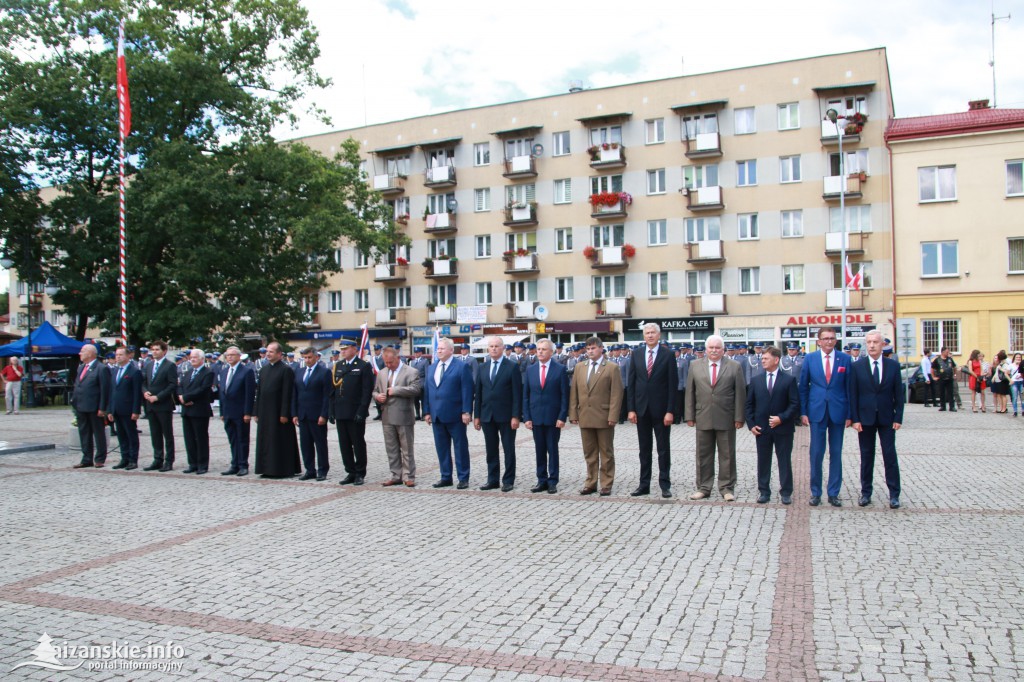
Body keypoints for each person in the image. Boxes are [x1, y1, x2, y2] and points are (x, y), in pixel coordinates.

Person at [685, 334, 746, 501]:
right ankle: (703, 487)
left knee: (727, 454)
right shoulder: (695, 365)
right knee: (703, 454)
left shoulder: (734, 366)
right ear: (706, 349)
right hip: (703, 415)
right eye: (711, 347)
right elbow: (690, 391)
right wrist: (689, 415)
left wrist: (739, 417)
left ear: (723, 349)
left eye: (717, 348)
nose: (714, 350)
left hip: (726, 416)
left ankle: (726, 487)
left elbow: (740, 393)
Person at [849, 330, 905, 509]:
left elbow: (899, 394)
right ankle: (866, 493)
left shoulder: (893, 366)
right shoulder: (857, 367)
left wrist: (898, 417)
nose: (871, 345)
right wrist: (855, 419)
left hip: (887, 418)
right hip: (865, 419)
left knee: (890, 456)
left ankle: (894, 494)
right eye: (869, 342)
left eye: (875, 342)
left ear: (882, 344)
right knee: (866, 456)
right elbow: (853, 394)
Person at [798, 327, 852, 507]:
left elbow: (849, 388)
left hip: (838, 411)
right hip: (817, 411)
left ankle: (833, 493)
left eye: (832, 338)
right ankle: (815, 492)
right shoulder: (810, 358)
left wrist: (850, 414)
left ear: (836, 341)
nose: (829, 341)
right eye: (825, 338)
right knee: (816, 453)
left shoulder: (845, 359)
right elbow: (803, 387)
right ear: (818, 341)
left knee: (836, 453)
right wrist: (803, 412)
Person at [627, 323, 678, 498]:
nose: (650, 336)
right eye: (647, 333)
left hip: (662, 410)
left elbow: (673, 385)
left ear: (658, 335)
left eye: (652, 333)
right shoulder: (637, 354)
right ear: (644, 336)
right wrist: (631, 409)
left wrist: (670, 410)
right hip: (641, 410)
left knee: (663, 449)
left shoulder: (668, 355)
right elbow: (631, 383)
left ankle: (665, 484)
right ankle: (644, 484)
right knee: (644, 449)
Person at [744, 345, 800, 505]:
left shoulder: (788, 380)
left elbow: (794, 404)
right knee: (763, 460)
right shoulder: (756, 380)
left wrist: (781, 418)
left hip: (783, 428)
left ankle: (786, 492)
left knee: (784, 460)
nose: (762, 360)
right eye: (762, 358)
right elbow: (749, 405)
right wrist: (751, 424)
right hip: (762, 429)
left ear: (776, 360)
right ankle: (764, 491)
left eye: (766, 358)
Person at [569, 337, 622, 496]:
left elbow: (617, 394)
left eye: (593, 348)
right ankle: (590, 482)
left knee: (606, 452)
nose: (590, 351)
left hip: (604, 416)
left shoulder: (611, 367)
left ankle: (606, 483)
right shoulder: (580, 367)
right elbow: (574, 392)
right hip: (585, 415)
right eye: (588, 348)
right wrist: (573, 413)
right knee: (589, 452)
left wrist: (613, 415)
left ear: (601, 349)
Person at [422, 337, 475, 488]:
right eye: (438, 348)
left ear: (451, 350)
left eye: (442, 348)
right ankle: (446, 476)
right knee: (442, 448)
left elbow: (467, 390)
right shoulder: (432, 367)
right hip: (437, 414)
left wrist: (466, 411)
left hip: (455, 414)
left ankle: (463, 477)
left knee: (460, 447)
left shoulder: (461, 366)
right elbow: (427, 390)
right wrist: (426, 411)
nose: (439, 351)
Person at [474, 335, 523, 492]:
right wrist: (477, 416)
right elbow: (478, 393)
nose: (494, 348)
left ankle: (508, 480)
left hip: (507, 415)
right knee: (491, 449)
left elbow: (517, 393)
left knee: (508, 448)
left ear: (503, 348)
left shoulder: (512, 366)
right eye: (491, 346)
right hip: (487, 415)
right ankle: (492, 479)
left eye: (497, 346)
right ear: (488, 349)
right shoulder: (482, 367)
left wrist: (516, 415)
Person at [523, 338, 569, 494]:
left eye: (543, 349)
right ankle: (541, 480)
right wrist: (527, 417)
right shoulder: (531, 369)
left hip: (553, 417)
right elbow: (526, 396)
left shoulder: (560, 369)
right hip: (535, 416)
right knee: (539, 449)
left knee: (552, 449)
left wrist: (562, 416)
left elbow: (564, 395)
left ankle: (552, 480)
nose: (540, 352)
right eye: (538, 349)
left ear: (551, 351)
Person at [329, 339, 374, 485]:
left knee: (358, 443)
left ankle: (360, 472)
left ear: (354, 349)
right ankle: (350, 471)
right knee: (344, 444)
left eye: (346, 349)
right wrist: (331, 410)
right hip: (341, 411)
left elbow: (366, 391)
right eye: (341, 349)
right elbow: (333, 391)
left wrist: (362, 410)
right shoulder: (338, 366)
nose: (342, 351)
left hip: (355, 412)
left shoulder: (363, 366)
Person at [374, 346, 421, 486]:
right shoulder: (382, 373)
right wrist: (377, 396)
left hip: (403, 414)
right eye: (386, 363)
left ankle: (408, 476)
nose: (388, 365)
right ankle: (395, 474)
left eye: (391, 362)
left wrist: (397, 390)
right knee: (391, 448)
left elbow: (416, 389)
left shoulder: (411, 372)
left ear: (397, 358)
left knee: (407, 448)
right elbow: (375, 390)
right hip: (387, 415)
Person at [253, 342, 300, 478]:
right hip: (264, 411)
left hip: (278, 412)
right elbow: (259, 392)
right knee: (265, 440)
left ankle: (282, 469)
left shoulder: (286, 370)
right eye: (267, 351)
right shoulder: (263, 370)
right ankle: (266, 468)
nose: (268, 354)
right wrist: (256, 411)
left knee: (279, 441)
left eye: (271, 352)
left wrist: (285, 413)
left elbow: (288, 394)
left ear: (279, 354)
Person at [291, 346, 332, 481]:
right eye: (305, 358)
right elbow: (295, 393)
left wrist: (324, 414)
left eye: (309, 357)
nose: (307, 360)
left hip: (317, 414)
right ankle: (310, 470)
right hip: (303, 414)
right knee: (305, 444)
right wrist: (295, 413)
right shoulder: (299, 371)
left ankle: (322, 470)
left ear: (316, 357)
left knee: (320, 444)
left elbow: (327, 395)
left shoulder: (324, 372)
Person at [70, 344, 112, 468]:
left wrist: (102, 408)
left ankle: (100, 458)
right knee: (84, 433)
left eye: (82, 351)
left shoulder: (101, 368)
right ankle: (86, 458)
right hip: (81, 406)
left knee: (98, 433)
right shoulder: (81, 367)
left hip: (94, 407)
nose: (79, 353)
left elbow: (105, 390)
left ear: (90, 353)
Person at [218, 346, 255, 476]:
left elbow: (249, 394)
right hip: (228, 412)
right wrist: (222, 412)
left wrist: (247, 412)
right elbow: (222, 393)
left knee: (242, 439)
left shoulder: (246, 371)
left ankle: (243, 464)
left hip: (240, 412)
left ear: (239, 356)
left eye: (232, 355)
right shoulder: (224, 371)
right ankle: (234, 464)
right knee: (232, 439)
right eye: (227, 355)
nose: (229, 357)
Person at [142, 341, 179, 471]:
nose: (154, 352)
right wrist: (145, 391)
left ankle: (169, 461)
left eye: (157, 349)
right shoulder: (149, 365)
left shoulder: (170, 366)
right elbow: (144, 381)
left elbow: (172, 385)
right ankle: (157, 459)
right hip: (150, 404)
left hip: (163, 404)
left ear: (164, 351)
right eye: (153, 349)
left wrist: (158, 397)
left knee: (167, 434)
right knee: (155, 433)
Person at [178, 349, 215, 474]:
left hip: (199, 410)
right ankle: (192, 463)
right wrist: (181, 397)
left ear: (202, 359)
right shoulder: (188, 372)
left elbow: (203, 389)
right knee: (189, 438)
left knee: (200, 438)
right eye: (191, 357)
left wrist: (187, 397)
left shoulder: (207, 372)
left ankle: (202, 464)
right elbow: (181, 386)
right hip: (187, 409)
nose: (192, 359)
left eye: (195, 357)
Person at [107, 347, 142, 470]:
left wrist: (136, 410)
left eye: (121, 355)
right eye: (117, 355)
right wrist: (110, 410)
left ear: (128, 356)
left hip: (128, 409)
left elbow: (137, 393)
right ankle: (124, 458)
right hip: (116, 408)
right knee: (121, 435)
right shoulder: (115, 371)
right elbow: (112, 391)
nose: (118, 357)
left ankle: (133, 459)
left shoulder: (134, 371)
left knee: (131, 435)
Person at [931, 347, 958, 412]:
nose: (948, 353)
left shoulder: (950, 359)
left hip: (949, 378)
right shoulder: (937, 360)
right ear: (942, 352)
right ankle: (943, 406)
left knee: (950, 393)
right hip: (941, 379)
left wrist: (955, 374)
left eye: (948, 352)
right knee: (941, 393)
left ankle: (952, 407)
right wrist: (933, 377)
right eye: (946, 352)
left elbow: (954, 367)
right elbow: (932, 369)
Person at [409, 347, 429, 420]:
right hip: (414, 383)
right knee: (415, 400)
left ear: (421, 353)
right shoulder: (412, 362)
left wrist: (426, 383)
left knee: (423, 400)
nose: (416, 354)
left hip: (422, 381)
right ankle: (417, 414)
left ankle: (424, 414)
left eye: (418, 352)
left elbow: (427, 373)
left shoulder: (425, 361)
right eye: (415, 352)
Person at [989, 350, 1011, 414]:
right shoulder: (1001, 363)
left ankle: (1004, 408)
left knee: (1003, 395)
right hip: (999, 380)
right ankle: (1001, 408)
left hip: (1003, 381)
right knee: (1000, 395)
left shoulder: (1005, 364)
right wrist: (993, 378)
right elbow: (996, 372)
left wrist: (1001, 369)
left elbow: (1007, 372)